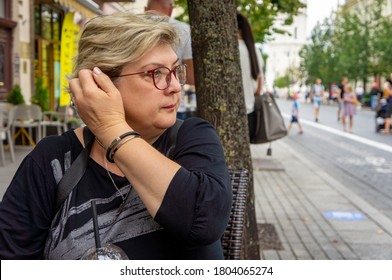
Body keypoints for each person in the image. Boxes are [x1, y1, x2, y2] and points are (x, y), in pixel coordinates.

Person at [0, 12, 232, 260]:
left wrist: (111, 127)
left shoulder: (192, 137)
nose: (175, 86)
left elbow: (205, 221)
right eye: (155, 73)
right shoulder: (54, 160)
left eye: (175, 70)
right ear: (100, 83)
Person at [145, 0, 195, 120]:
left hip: (139, 107)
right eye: (157, 73)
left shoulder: (130, 27)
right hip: (174, 106)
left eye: (175, 69)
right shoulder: (184, 30)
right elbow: (191, 77)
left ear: (146, 9)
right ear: (171, 9)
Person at [237, 12, 263, 141]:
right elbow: (259, 87)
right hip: (250, 111)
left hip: (233, 112)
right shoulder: (255, 51)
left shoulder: (232, 49)